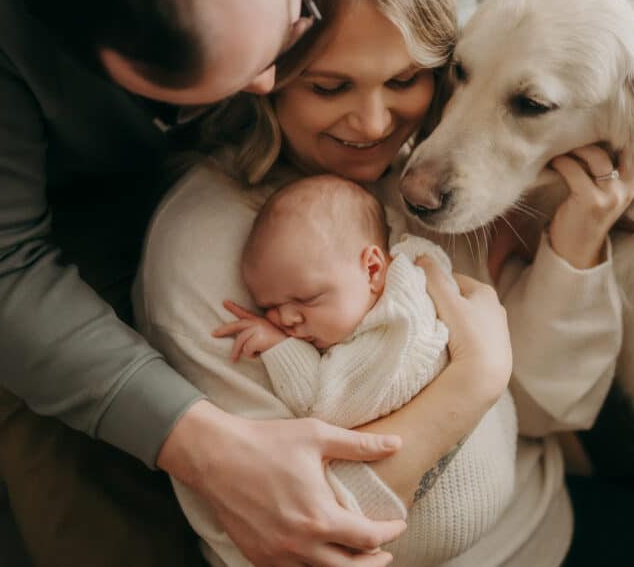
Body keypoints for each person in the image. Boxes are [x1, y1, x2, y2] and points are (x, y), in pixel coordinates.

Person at [135, 0, 634, 565]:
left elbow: (550, 410)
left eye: (404, 80)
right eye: (330, 86)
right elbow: (294, 540)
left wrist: (576, 242)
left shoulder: (435, 182)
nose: (375, 124)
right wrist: (474, 377)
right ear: (265, 74)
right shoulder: (203, 246)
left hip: (540, 520)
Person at [0, 0, 449, 565]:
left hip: (298, 174)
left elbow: (429, 19)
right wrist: (206, 447)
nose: (264, 83)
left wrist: (474, 377)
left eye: (293, 24)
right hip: (73, 227)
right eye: (201, 90)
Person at [201, 173, 517, 565]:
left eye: (307, 298)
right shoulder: (415, 269)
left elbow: (328, 407)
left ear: (372, 269)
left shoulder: (396, 326)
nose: (287, 319)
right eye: (269, 307)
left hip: (460, 501)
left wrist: (281, 349)